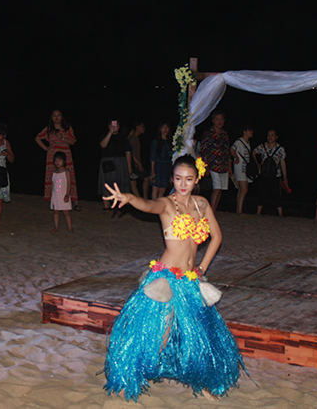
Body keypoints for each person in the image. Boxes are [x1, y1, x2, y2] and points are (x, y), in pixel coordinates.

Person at [101, 155, 243, 402]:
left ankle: (205, 381)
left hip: (189, 279)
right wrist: (128, 198)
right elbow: (147, 205)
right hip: (165, 278)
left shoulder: (202, 204)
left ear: (196, 179)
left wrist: (201, 268)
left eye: (188, 179)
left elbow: (216, 237)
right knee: (157, 331)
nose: (183, 184)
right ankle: (131, 377)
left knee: (200, 333)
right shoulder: (167, 204)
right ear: (172, 179)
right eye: (178, 179)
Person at [35, 110, 81, 210]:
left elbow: (73, 141)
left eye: (58, 115)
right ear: (51, 117)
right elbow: (37, 138)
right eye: (54, 115)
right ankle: (54, 201)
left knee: (69, 177)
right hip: (53, 156)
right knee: (53, 178)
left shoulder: (67, 128)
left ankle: (75, 202)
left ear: (62, 117)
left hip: (65, 155)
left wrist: (63, 138)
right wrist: (46, 148)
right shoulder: (49, 129)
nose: (56, 117)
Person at [199, 110, 230, 212]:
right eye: (217, 119)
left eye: (221, 119)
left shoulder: (225, 134)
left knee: (221, 188)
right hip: (213, 165)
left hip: (223, 165)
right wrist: (205, 166)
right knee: (216, 187)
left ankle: (214, 209)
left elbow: (227, 151)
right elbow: (204, 151)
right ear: (213, 120)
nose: (219, 122)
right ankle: (210, 210)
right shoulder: (208, 134)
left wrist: (229, 167)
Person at [99, 120, 132, 212]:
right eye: (113, 124)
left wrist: (129, 167)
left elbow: (128, 152)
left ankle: (118, 207)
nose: (115, 126)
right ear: (109, 125)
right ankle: (106, 207)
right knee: (106, 185)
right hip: (108, 162)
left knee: (120, 185)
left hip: (121, 163)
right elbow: (103, 145)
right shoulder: (105, 135)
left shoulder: (123, 138)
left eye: (117, 124)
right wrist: (110, 132)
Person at [253, 129, 288, 217]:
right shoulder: (262, 146)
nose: (270, 137)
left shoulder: (280, 149)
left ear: (276, 137)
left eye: (272, 135)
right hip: (264, 173)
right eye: (269, 135)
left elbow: (283, 163)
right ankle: (258, 212)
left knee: (277, 194)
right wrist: (257, 164)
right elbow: (254, 152)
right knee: (261, 192)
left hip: (276, 174)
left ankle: (280, 213)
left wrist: (285, 177)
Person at [230, 124, 254, 215]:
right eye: (250, 130)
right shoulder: (239, 142)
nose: (251, 132)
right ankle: (239, 209)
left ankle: (239, 209)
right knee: (244, 189)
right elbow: (232, 149)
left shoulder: (248, 143)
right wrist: (236, 157)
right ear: (245, 132)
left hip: (245, 168)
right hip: (240, 167)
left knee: (241, 189)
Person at [49, 151, 73, 233]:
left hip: (64, 195)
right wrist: (51, 195)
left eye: (59, 160)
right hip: (56, 195)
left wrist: (67, 194)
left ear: (64, 161)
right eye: (56, 160)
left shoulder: (66, 172)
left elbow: (69, 184)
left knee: (66, 212)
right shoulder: (54, 173)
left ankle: (70, 228)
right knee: (56, 211)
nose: (57, 162)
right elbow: (52, 184)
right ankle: (56, 227)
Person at [150, 122, 172, 200]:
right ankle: (153, 209)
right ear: (160, 129)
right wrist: (152, 171)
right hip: (158, 167)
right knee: (155, 190)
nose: (165, 130)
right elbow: (152, 157)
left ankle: (159, 208)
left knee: (162, 191)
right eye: (163, 127)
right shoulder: (155, 141)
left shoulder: (171, 141)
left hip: (167, 167)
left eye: (167, 127)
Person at [127, 121, 150, 200]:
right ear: (137, 127)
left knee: (133, 181)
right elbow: (132, 153)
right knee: (143, 179)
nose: (143, 128)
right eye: (142, 126)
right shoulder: (132, 138)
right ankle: (142, 199)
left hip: (136, 162)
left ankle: (141, 199)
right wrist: (138, 164)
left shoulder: (136, 138)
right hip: (133, 163)